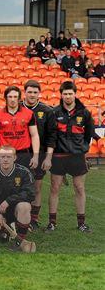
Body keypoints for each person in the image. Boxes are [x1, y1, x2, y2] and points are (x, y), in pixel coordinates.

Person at [48, 81, 95, 233]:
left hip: (77, 156)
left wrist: (81, 149)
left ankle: (81, 223)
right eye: (65, 93)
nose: (68, 96)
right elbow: (51, 136)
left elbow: (88, 135)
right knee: (55, 188)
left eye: (70, 93)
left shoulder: (85, 113)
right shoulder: (54, 112)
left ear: (75, 94)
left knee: (79, 188)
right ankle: (52, 223)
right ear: (61, 95)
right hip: (59, 156)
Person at [0, 145, 35, 251]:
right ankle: (7, 230)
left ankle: (19, 240)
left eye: (9, 157)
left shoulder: (24, 172)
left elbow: (30, 193)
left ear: (15, 158)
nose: (5, 159)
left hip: (17, 210)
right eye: (3, 156)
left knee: (25, 206)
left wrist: (8, 201)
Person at [21, 80, 56, 230]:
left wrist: (48, 157)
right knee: (18, 187)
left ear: (39, 94)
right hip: (20, 153)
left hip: (40, 155)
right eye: (30, 92)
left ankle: (33, 219)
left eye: (35, 92)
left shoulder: (47, 111)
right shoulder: (17, 108)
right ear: (25, 92)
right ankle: (19, 217)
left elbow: (52, 136)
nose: (32, 95)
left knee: (36, 187)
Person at [0, 86, 40, 170]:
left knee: (24, 181)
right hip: (4, 153)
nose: (12, 100)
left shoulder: (29, 113)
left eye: (15, 97)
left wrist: (35, 156)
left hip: (23, 154)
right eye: (10, 97)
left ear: (19, 98)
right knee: (4, 181)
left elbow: (34, 135)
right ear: (5, 98)